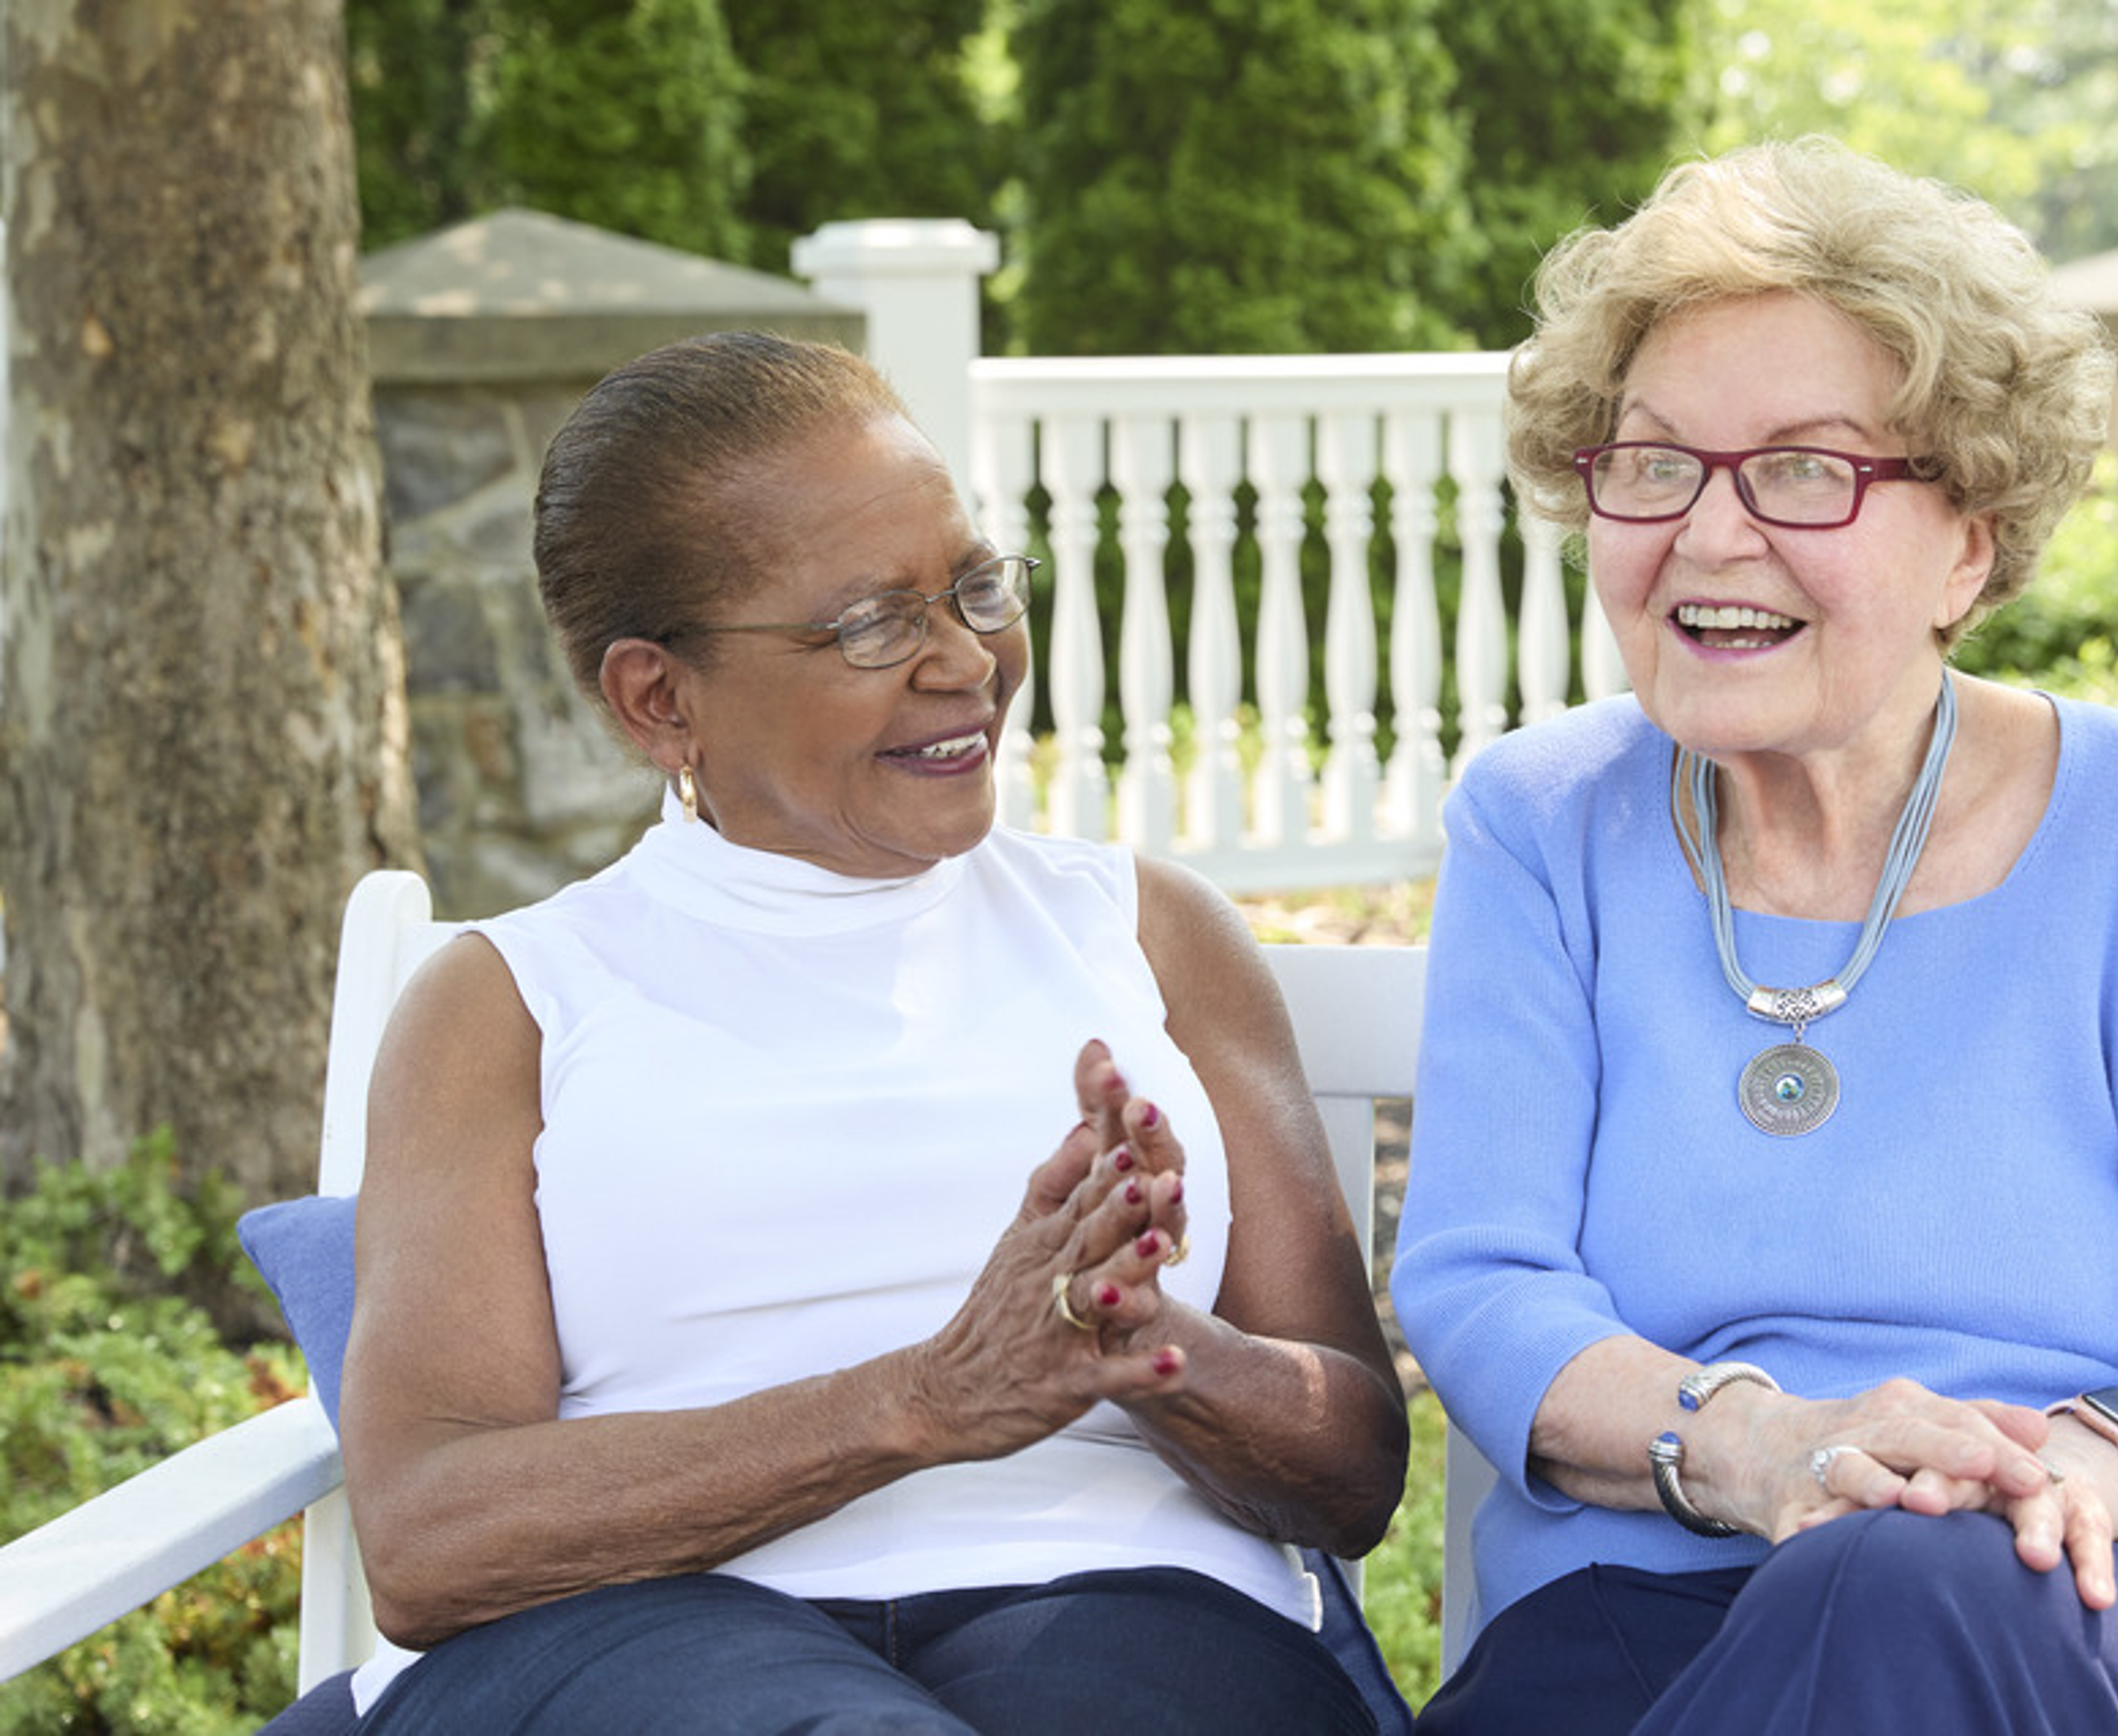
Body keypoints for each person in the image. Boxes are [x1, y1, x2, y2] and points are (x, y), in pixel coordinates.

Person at [1390, 140, 2118, 1735]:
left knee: (1894, 1583)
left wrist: (2094, 1462)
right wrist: (1768, 1446)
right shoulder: (1543, 821)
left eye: (1807, 470)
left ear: (1972, 540)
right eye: (1654, 462)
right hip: (1655, 1592)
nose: (1712, 537)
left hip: (2100, 1598)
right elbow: (1488, 1278)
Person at [335, 332, 1410, 1735]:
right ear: (660, 698)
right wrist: (923, 1398)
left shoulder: (1146, 933)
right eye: (872, 624)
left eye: (972, 586)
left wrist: (1152, 1346)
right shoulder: (511, 1001)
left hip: (1132, 1603)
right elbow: (426, 1535)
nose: (966, 659)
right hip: (642, 1631)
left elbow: (1355, 1471)